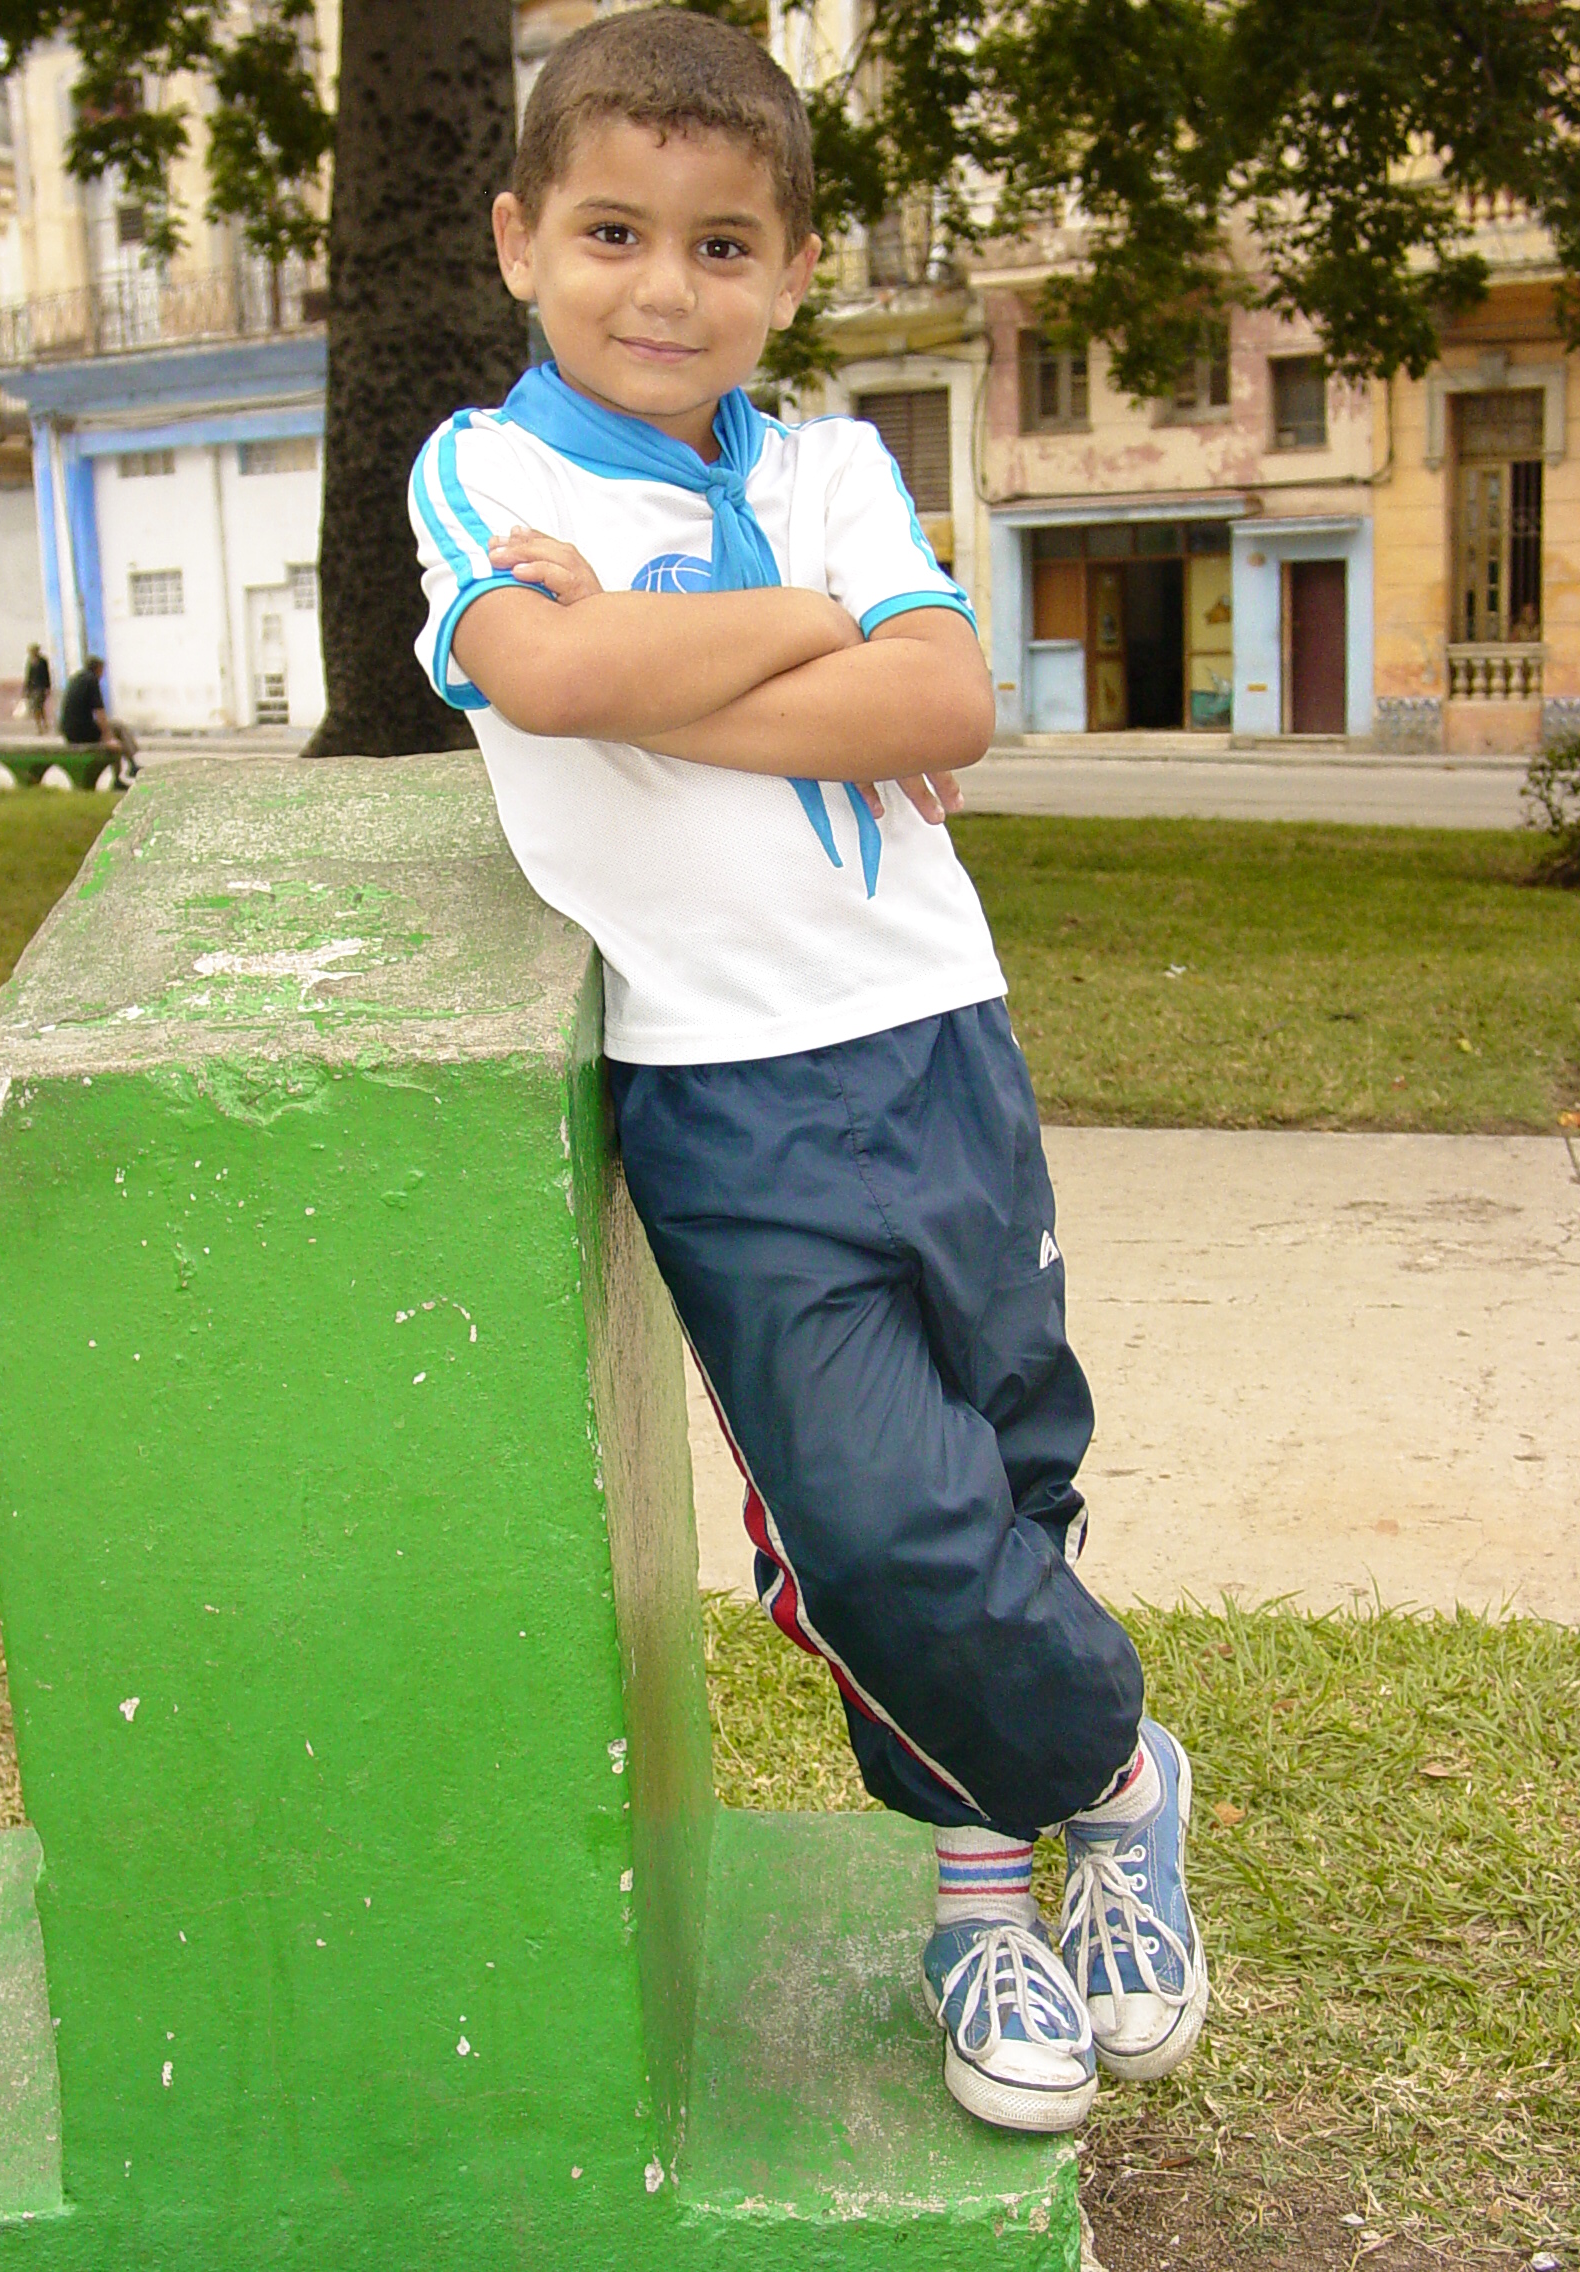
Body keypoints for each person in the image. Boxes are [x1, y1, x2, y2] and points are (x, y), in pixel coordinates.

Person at [409, 8, 1206, 2136]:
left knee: (1009, 1459)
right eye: (610, 230)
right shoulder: (487, 475)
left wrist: (683, 666)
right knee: (872, 1522)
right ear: (517, 238)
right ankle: (1122, 1777)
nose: (663, 287)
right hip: (730, 1092)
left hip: (942, 1033)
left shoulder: (833, 457)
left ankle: (981, 1892)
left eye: (722, 243)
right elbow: (550, 671)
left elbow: (951, 693)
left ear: (787, 267)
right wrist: (807, 643)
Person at [58, 654, 138, 786]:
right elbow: (99, 712)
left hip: (70, 731)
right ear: (98, 668)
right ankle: (125, 772)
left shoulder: (77, 678)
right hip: (81, 732)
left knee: (114, 730)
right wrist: (108, 738)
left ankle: (131, 765)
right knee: (116, 733)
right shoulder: (92, 680)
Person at [22, 643, 52, 731]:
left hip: (41, 687)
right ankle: (40, 726)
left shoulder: (43, 661)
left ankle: (43, 724)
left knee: (39, 706)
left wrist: (48, 687)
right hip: (32, 687)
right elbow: (28, 675)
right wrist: (26, 689)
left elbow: (46, 674)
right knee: (36, 708)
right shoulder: (29, 661)